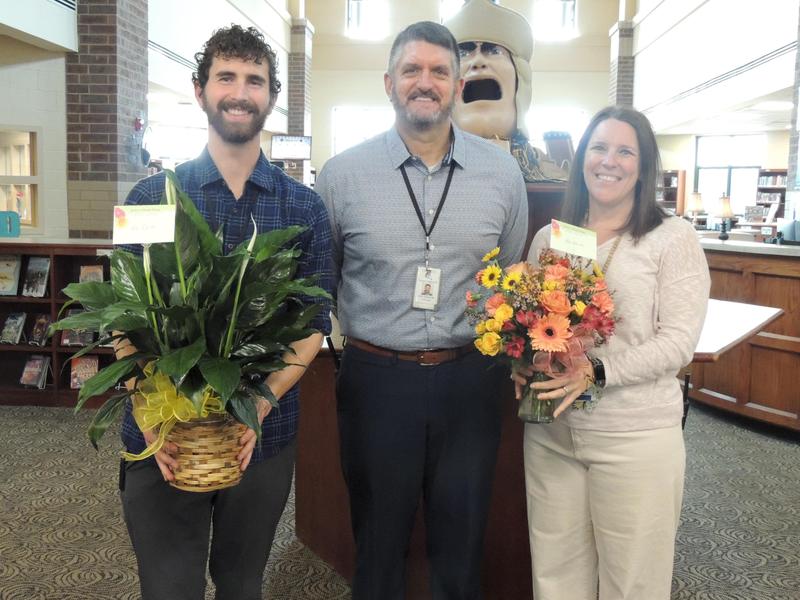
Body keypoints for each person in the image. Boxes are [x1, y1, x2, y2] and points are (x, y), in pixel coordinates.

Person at [116, 25, 333, 600]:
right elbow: (122, 321)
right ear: (200, 90)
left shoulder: (305, 208)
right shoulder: (148, 199)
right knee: (170, 586)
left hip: (260, 436)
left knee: (242, 583)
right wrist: (153, 416)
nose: (240, 91)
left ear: (272, 96)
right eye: (226, 77)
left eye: (255, 80)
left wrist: (256, 405)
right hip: (164, 435)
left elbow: (313, 326)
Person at [315, 21, 527, 600]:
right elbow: (325, 280)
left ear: (458, 85)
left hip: (469, 380)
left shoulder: (502, 177)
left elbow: (506, 279)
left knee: (461, 551)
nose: (424, 82)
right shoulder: (341, 177)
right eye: (412, 70)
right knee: (378, 548)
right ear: (389, 83)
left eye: (439, 71)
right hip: (376, 381)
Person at [514, 106, 710, 600]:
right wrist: (524, 363)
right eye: (599, 148)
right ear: (582, 158)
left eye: (626, 151)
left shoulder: (672, 237)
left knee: (633, 583)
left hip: (634, 437)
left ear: (643, 167)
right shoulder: (552, 237)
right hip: (553, 435)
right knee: (555, 576)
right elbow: (537, 326)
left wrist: (597, 371)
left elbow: (678, 342)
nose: (610, 161)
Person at [444, 0, 567, 182]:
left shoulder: (556, 182)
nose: (478, 61)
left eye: (493, 50)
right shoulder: (422, 175)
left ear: (520, 78)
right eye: (463, 54)